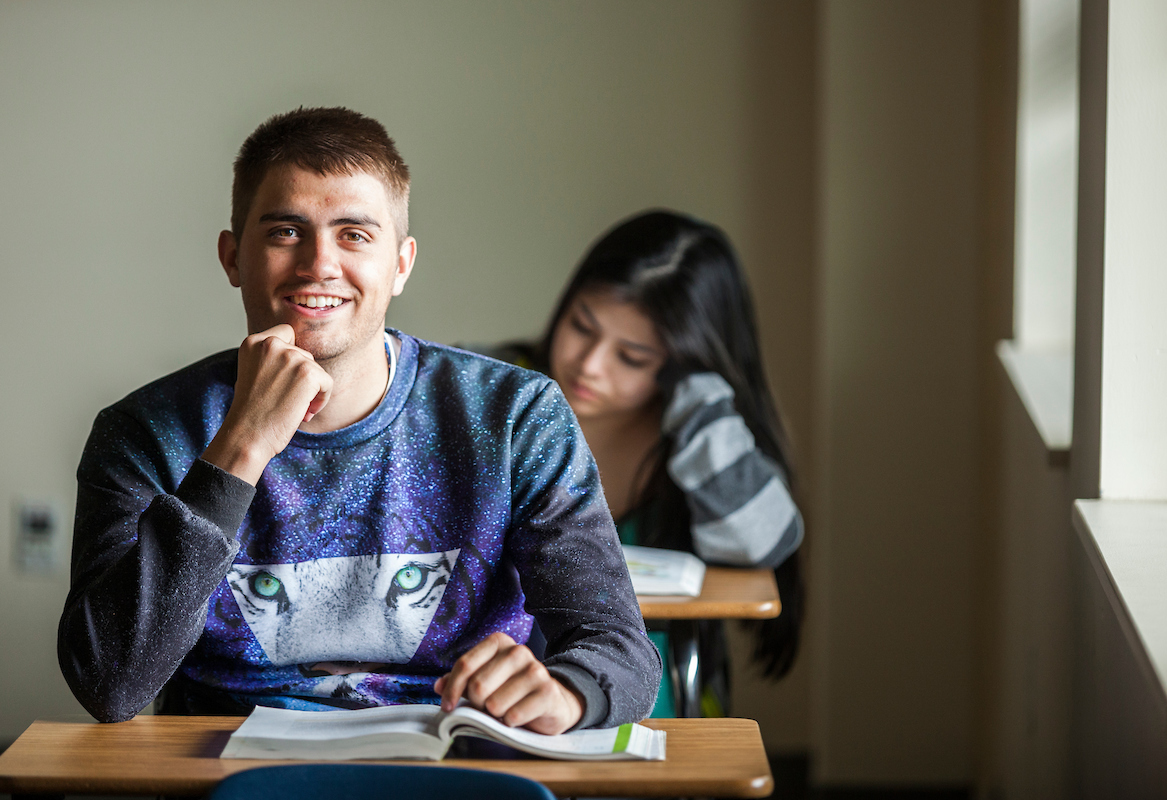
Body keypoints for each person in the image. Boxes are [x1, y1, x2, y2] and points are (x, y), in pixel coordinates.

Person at [56, 107, 659, 735]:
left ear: (401, 262)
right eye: (286, 231)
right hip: (228, 771)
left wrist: (567, 692)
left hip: (456, 757)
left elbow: (618, 647)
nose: (319, 264)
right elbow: (108, 684)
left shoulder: (515, 415)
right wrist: (241, 447)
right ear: (233, 257)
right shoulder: (143, 432)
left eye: (354, 234)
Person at [489, 210, 803, 717]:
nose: (589, 365)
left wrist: (701, 401)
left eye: (631, 357)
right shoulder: (495, 388)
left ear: (683, 359)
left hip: (642, 706)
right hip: (488, 690)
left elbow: (760, 543)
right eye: (581, 326)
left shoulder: (700, 437)